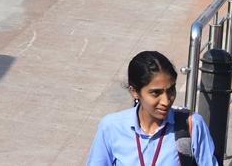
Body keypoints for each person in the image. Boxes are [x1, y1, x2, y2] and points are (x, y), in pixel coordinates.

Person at [85, 51, 218, 166]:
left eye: (171, 90)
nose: (166, 101)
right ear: (134, 92)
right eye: (156, 93)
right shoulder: (111, 127)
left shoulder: (192, 125)